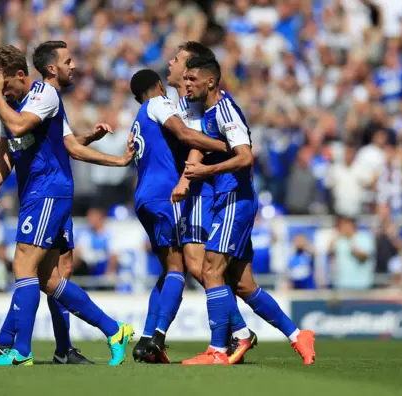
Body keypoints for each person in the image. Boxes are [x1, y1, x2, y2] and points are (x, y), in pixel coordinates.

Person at [0, 41, 134, 367]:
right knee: (49, 280)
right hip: (42, 192)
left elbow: (20, 127)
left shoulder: (43, 95)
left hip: (47, 192)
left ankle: (19, 350)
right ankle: (113, 329)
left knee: (23, 266)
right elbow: (33, 146)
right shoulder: (19, 103)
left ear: (20, 75)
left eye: (2, 82)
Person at [181, 55, 315, 365]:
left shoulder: (225, 111)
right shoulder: (209, 111)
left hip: (234, 199)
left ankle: (219, 348)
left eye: (192, 80)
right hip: (225, 199)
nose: (187, 85)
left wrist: (205, 172)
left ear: (210, 82)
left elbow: (245, 157)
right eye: (184, 79)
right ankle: (297, 335)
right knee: (242, 283)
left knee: (210, 270)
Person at [127, 68, 239, 363]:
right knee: (180, 267)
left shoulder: (138, 117)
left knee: (168, 270)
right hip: (166, 195)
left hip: (144, 197)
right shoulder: (158, 103)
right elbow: (185, 133)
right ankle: (158, 339)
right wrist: (227, 146)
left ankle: (148, 338)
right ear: (159, 87)